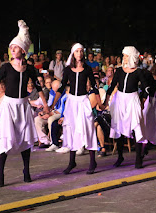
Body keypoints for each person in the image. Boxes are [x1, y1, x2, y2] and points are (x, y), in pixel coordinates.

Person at [0, 20, 49, 187]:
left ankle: (26, 170)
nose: (12, 49)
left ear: (23, 50)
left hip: (23, 106)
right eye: (11, 47)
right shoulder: (6, 67)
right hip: (9, 106)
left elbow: (39, 86)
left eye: (15, 47)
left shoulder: (30, 69)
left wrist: (46, 105)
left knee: (25, 139)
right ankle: (0, 174)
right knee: (5, 139)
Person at [51, 43, 104, 175]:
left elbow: (94, 87)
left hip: (83, 102)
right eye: (77, 51)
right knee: (71, 130)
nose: (79, 53)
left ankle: (92, 161)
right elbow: (62, 87)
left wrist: (100, 103)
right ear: (73, 54)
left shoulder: (87, 69)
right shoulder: (68, 70)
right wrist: (52, 104)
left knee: (88, 129)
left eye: (81, 51)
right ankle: (71, 162)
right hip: (72, 102)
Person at [103, 46, 149, 169]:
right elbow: (112, 86)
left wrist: (143, 99)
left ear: (132, 57)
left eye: (126, 56)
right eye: (123, 56)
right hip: (120, 99)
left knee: (136, 127)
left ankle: (138, 158)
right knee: (118, 127)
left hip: (133, 99)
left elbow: (146, 87)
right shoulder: (119, 71)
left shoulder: (138, 71)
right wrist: (106, 101)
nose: (123, 58)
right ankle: (120, 156)